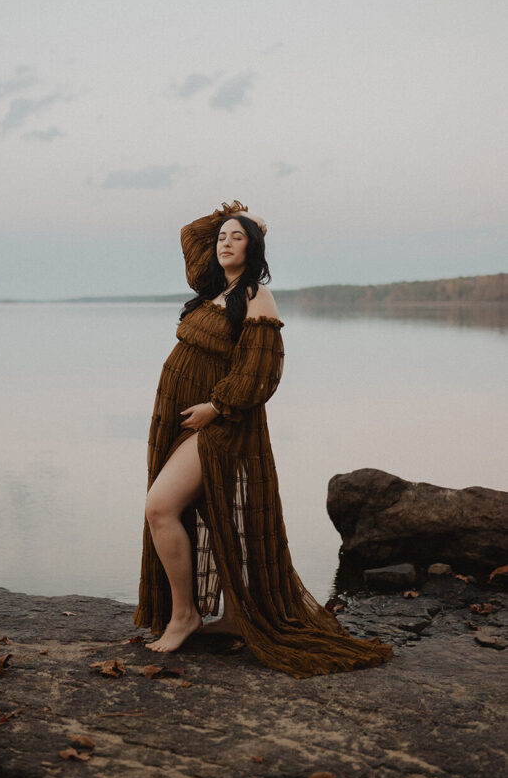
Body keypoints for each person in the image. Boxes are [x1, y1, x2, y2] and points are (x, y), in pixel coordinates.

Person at [132, 201, 393, 678]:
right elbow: (192, 232)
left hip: (224, 426)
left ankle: (186, 615)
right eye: (222, 238)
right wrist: (235, 217)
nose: (224, 242)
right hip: (186, 422)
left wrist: (215, 407)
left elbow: (263, 372)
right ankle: (232, 616)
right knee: (214, 515)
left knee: (160, 507)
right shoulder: (213, 290)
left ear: (254, 248)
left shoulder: (256, 296)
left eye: (237, 236)